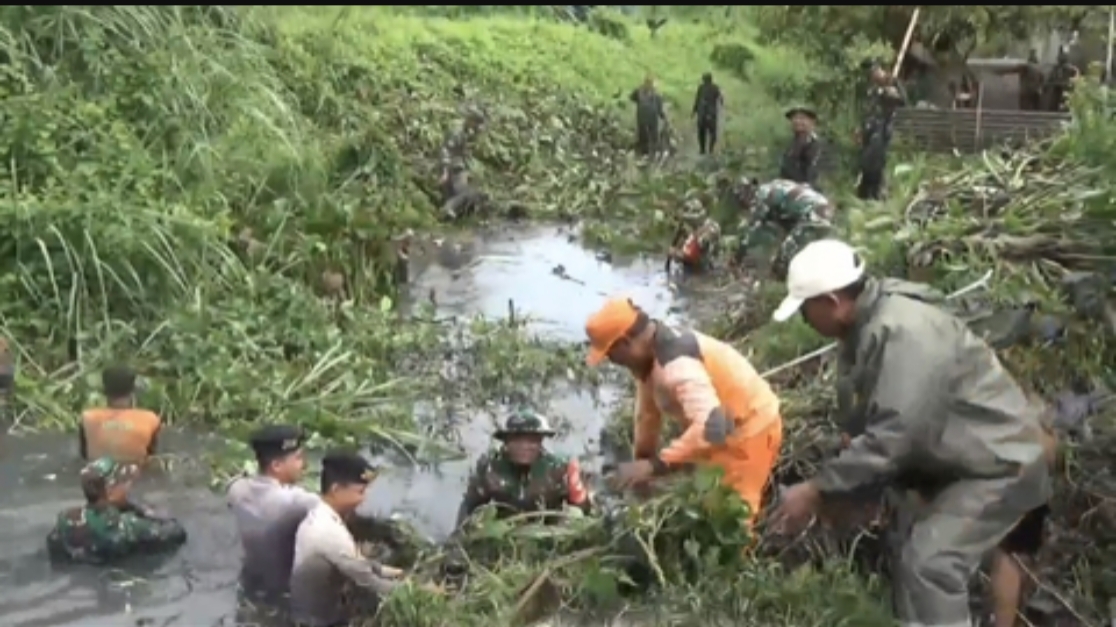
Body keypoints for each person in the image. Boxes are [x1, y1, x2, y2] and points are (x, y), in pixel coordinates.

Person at [767, 239, 1052, 627]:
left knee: (931, 563)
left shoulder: (904, 333)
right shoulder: (869, 328)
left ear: (832, 302)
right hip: (962, 459)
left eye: (805, 309)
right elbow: (875, 420)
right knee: (911, 550)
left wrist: (817, 490)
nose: (804, 319)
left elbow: (895, 435)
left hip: (1000, 465)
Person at [584, 298, 782, 526]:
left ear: (626, 342)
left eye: (611, 355)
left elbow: (710, 429)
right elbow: (647, 414)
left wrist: (656, 465)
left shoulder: (678, 365)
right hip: (718, 427)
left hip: (748, 430)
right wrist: (643, 458)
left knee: (733, 514)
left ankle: (744, 555)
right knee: (707, 500)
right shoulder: (650, 354)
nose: (612, 362)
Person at [289, 450, 410, 627]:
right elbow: (367, 580)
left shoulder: (322, 513)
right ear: (336, 489)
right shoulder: (328, 532)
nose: (364, 498)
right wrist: (413, 590)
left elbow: (356, 561)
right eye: (360, 491)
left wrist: (386, 570)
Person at [227, 424, 319, 601]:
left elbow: (235, 483)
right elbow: (331, 510)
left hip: (249, 585)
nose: (304, 464)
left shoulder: (236, 489)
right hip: (285, 593)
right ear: (276, 465)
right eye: (298, 458)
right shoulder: (295, 501)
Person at [455, 409, 591, 527]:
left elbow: (583, 509)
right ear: (506, 442)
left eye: (532, 440)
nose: (525, 446)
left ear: (541, 442)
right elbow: (470, 506)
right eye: (517, 439)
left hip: (548, 533)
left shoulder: (559, 468)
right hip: (505, 534)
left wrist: (577, 491)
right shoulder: (490, 468)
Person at [46, 456, 187, 564]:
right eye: (123, 483)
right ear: (109, 489)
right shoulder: (128, 525)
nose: (128, 488)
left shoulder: (65, 520)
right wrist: (143, 510)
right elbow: (177, 533)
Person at [733, 178, 835, 280]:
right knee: (809, 250)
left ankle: (777, 283)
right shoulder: (775, 186)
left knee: (785, 254)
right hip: (824, 210)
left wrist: (738, 256)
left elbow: (753, 227)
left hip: (812, 214)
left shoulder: (763, 195)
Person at [79, 365, 161, 464]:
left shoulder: (88, 418)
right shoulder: (150, 419)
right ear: (133, 391)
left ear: (105, 391)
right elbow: (152, 457)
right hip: (136, 474)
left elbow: (83, 456)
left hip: (96, 473)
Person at [857, 60, 904, 200]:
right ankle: (865, 193)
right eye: (870, 74)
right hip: (869, 128)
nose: (873, 76)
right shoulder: (870, 89)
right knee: (866, 160)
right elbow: (865, 109)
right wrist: (860, 128)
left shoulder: (892, 82)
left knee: (878, 160)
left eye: (874, 72)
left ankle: (877, 192)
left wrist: (892, 94)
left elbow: (903, 102)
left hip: (885, 127)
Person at [779, 106, 822, 188]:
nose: (797, 121)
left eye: (802, 118)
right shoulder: (791, 145)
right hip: (788, 189)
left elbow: (816, 172)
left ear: (812, 121)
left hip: (809, 192)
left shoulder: (815, 145)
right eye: (795, 118)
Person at [630, 75, 667, 157]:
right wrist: (664, 118)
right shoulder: (656, 95)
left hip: (641, 117)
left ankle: (644, 152)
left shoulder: (639, 91)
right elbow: (660, 110)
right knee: (653, 135)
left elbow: (632, 97)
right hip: (652, 118)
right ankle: (652, 152)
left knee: (643, 135)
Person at [691, 72, 723, 155]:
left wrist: (694, 111)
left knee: (701, 132)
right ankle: (710, 149)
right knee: (713, 133)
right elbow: (720, 98)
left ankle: (702, 149)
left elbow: (697, 100)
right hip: (711, 114)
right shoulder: (715, 88)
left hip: (702, 114)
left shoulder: (701, 88)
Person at [1047, 47, 1080, 112]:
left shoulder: (1069, 68)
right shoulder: (1056, 68)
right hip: (1058, 85)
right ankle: (1055, 108)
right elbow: (1051, 76)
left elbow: (1075, 76)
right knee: (1056, 99)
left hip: (1064, 85)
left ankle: (1062, 108)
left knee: (1063, 98)